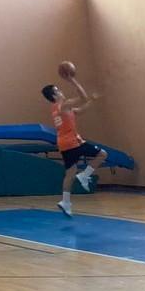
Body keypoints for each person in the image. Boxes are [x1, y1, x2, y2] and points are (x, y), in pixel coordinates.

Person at [41, 75, 107, 216]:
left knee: (70, 174)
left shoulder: (58, 109)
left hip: (64, 144)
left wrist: (92, 101)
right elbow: (83, 97)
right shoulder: (63, 105)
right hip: (72, 142)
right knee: (102, 154)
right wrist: (73, 80)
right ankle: (84, 176)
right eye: (58, 90)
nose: (61, 91)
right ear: (54, 95)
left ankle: (65, 202)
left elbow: (80, 110)